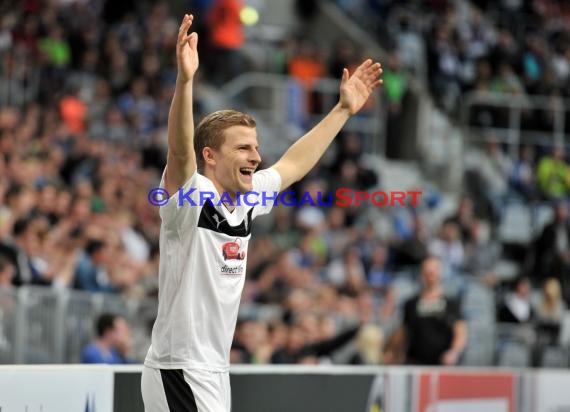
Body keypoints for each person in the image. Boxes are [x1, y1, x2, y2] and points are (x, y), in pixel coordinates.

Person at [141, 13, 383, 412]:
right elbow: (180, 152)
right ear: (211, 156)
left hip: (213, 370)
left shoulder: (249, 197)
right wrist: (185, 82)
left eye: (255, 147)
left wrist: (342, 111)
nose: (256, 156)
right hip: (179, 368)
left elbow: (292, 165)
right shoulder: (191, 197)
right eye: (243, 148)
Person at [384, 257, 467, 366]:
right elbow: (403, 332)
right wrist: (392, 351)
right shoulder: (411, 303)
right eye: (427, 271)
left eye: (433, 271)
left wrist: (454, 352)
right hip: (415, 363)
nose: (430, 275)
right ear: (422, 274)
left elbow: (460, 330)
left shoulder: (451, 303)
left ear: (439, 273)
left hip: (442, 364)